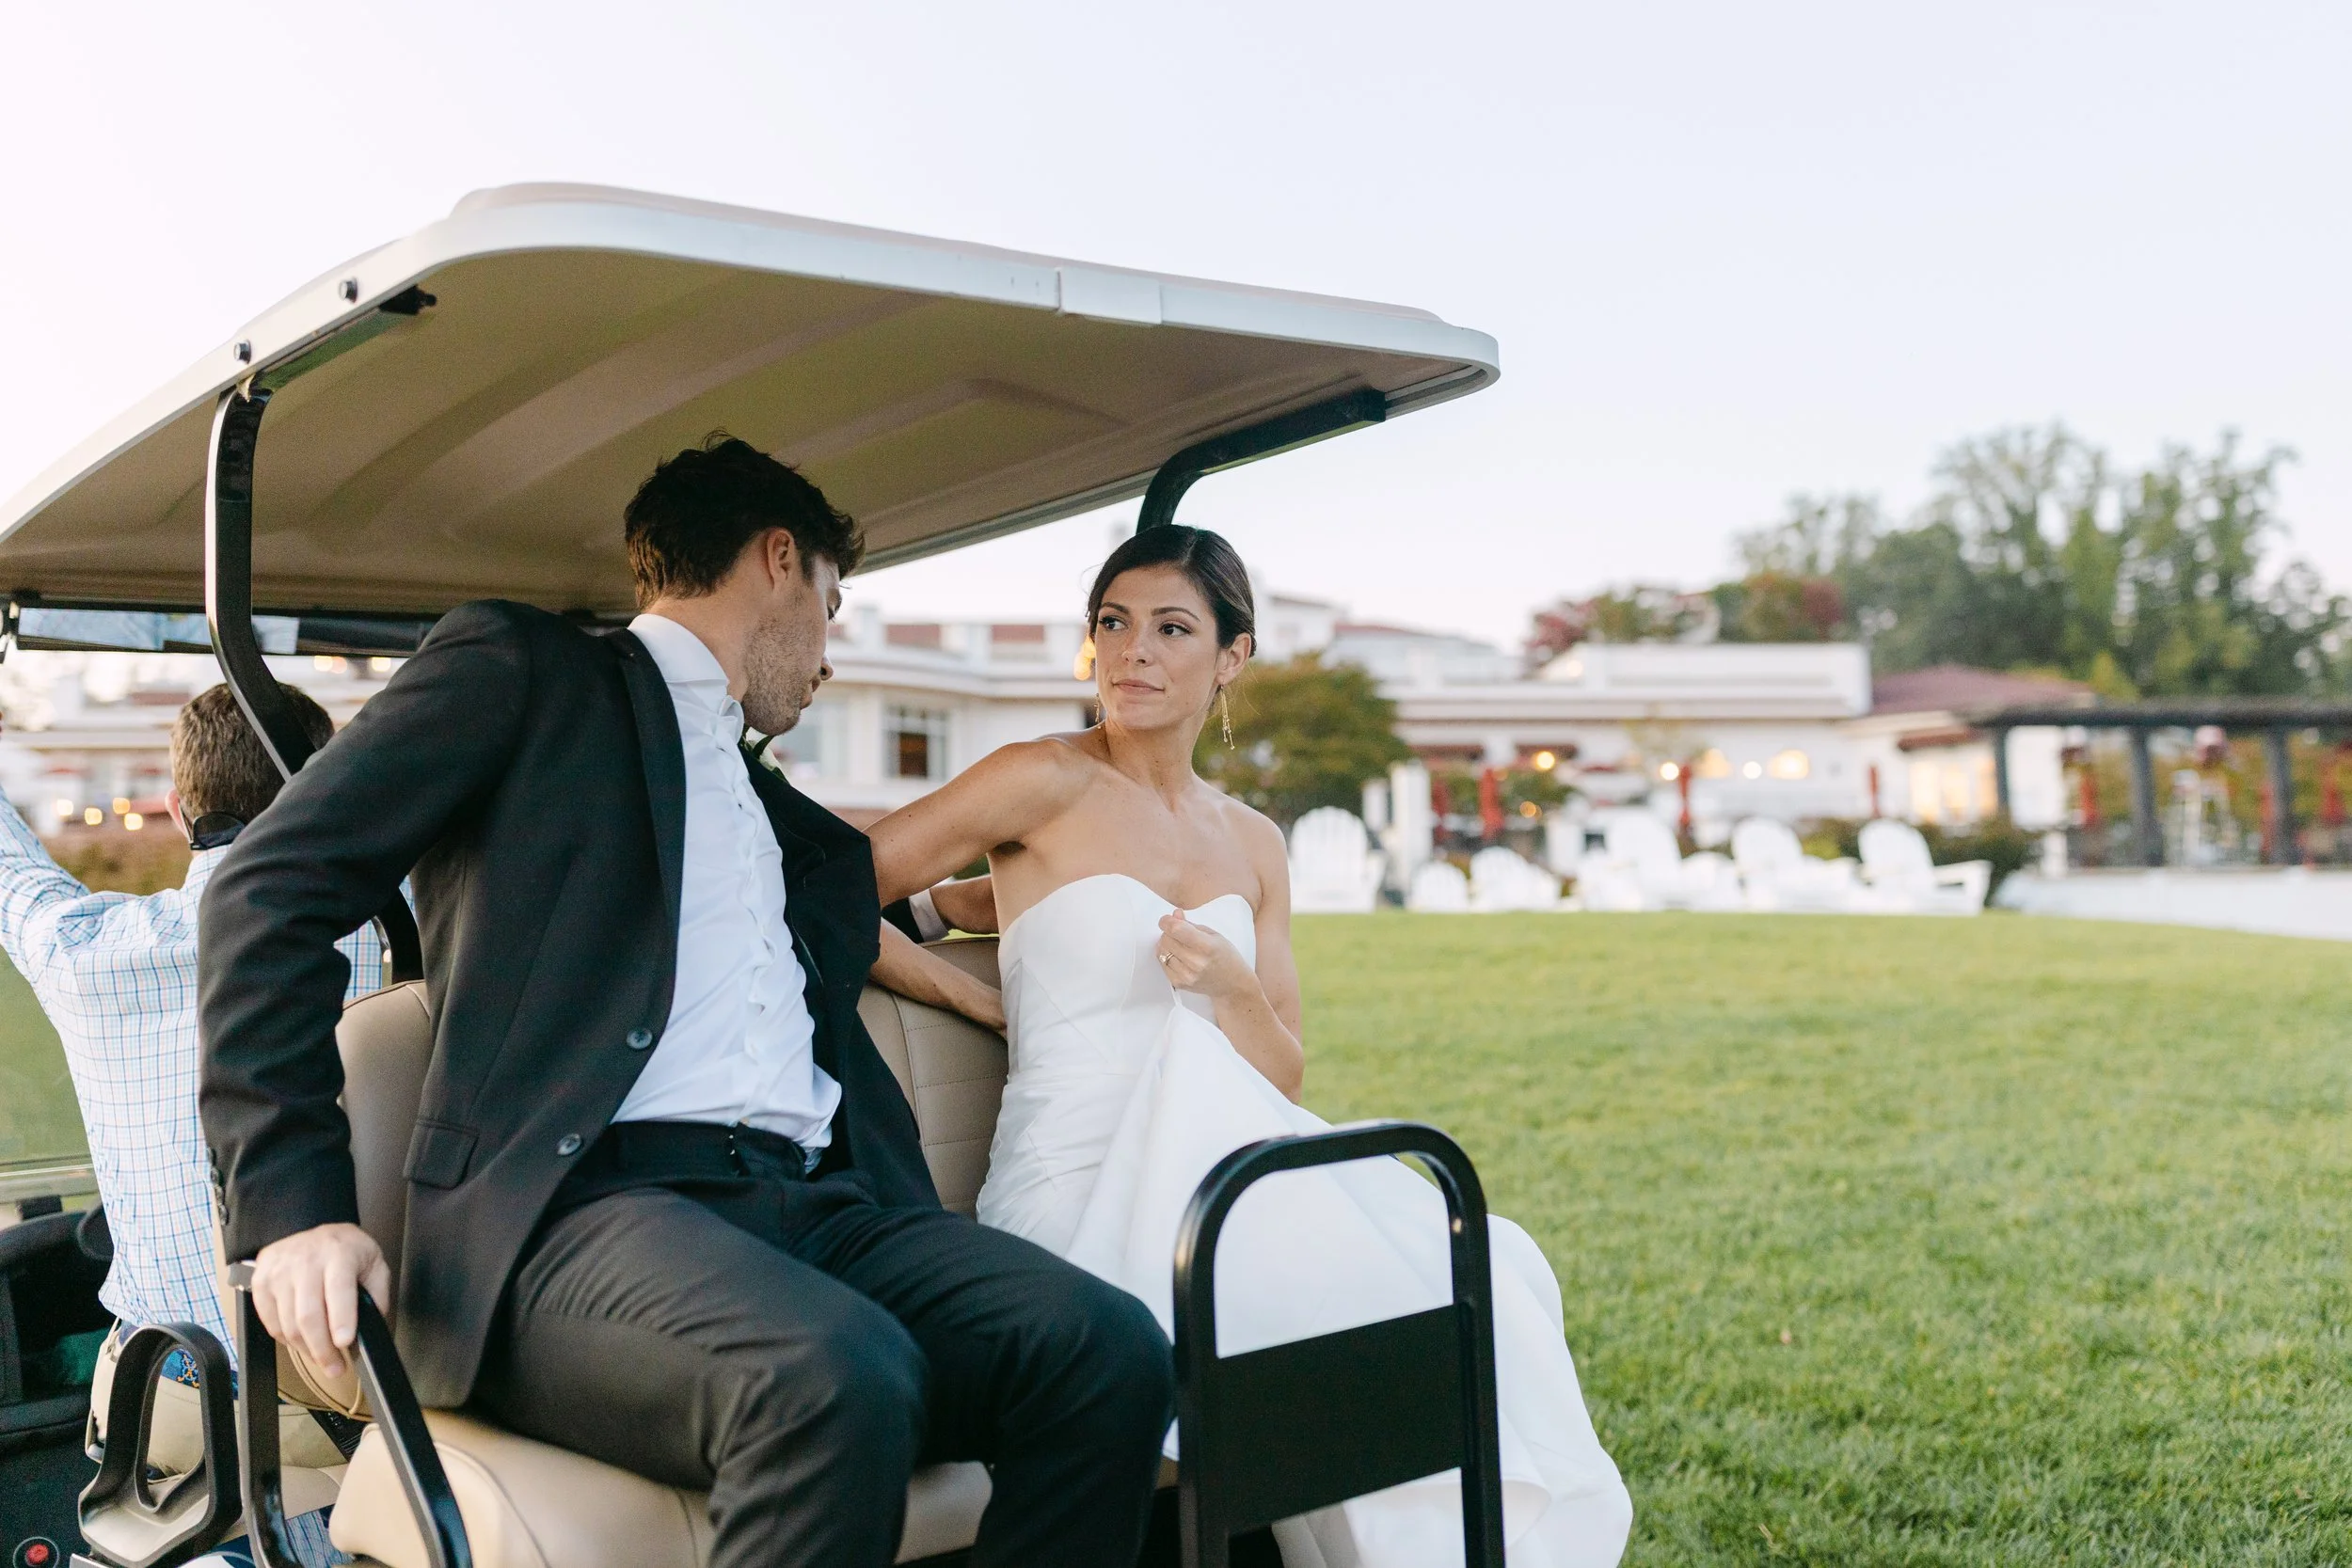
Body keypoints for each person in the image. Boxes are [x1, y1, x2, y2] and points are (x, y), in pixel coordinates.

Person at [197, 436, 1174, 1568]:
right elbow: (268, 889)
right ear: (778, 561)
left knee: (1107, 1348)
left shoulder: (760, 798)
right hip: (578, 1214)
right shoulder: (527, 669)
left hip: (816, 1211)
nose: (827, 652)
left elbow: (885, 906)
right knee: (828, 1377)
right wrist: (290, 1205)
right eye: (831, 602)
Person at [867, 525, 1634, 1568]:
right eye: (1112, 623)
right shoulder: (1035, 779)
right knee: (1353, 1302)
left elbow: (1281, 1069)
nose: (1131, 650)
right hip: (1081, 1185)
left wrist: (1230, 990)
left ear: (1230, 657)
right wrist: (986, 1002)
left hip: (1226, 1159)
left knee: (1483, 1265)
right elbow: (833, 887)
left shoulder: (1253, 841)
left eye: (1171, 627)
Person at [0, 682, 385, 1568]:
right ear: (319, 785)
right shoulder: (391, 926)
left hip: (166, 1412)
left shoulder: (84, 954)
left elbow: (16, 873)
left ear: (176, 809)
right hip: (356, 1402)